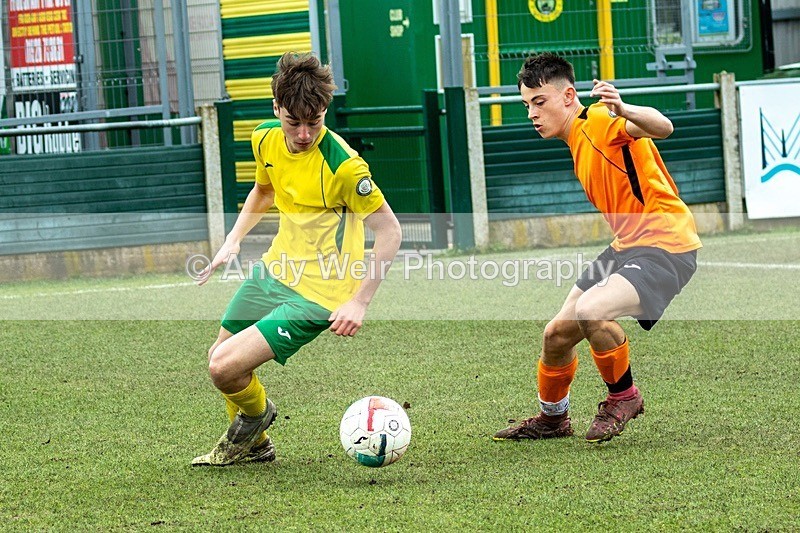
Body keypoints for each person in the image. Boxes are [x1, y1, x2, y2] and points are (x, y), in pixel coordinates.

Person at [191, 52, 402, 465]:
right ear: (276, 109)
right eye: (294, 122)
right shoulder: (265, 138)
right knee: (221, 361)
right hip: (276, 269)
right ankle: (257, 444)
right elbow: (264, 191)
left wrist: (358, 301)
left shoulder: (345, 167)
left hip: (320, 294)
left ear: (326, 111)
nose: (304, 134)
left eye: (315, 122)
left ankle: (256, 418)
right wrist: (233, 240)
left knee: (223, 369)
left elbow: (390, 231)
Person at [493, 53, 701, 443]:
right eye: (527, 106)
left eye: (540, 102)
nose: (532, 114)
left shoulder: (600, 122)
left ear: (569, 96)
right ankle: (553, 419)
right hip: (627, 246)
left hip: (666, 245)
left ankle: (625, 396)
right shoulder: (577, 139)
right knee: (556, 335)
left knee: (592, 310)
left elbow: (664, 126)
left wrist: (624, 108)